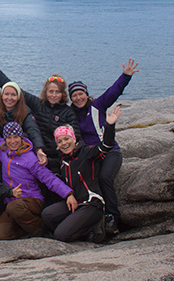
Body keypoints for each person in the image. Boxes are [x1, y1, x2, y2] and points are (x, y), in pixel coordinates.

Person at [0, 96, 77, 240]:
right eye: (9, 138)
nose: (12, 141)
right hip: (12, 201)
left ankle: (41, 229)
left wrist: (68, 194)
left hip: (32, 200)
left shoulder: (30, 158)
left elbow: (49, 178)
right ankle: (26, 227)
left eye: (16, 137)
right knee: (2, 235)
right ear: (6, 140)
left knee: (14, 209)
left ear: (21, 138)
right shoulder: (3, 151)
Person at [68, 58, 139, 234]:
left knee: (104, 178)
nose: (78, 98)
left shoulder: (97, 106)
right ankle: (91, 219)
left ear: (86, 94)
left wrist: (126, 76)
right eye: (74, 96)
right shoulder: (71, 115)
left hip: (110, 151)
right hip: (90, 155)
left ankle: (112, 217)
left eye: (80, 94)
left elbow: (113, 92)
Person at [0, 57, 80, 173]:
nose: (53, 95)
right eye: (51, 91)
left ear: (62, 93)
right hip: (37, 152)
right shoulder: (38, 104)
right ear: (45, 92)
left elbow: (76, 136)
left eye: (57, 92)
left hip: (59, 155)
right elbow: (16, 90)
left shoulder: (68, 112)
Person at [41, 105, 122, 243]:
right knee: (47, 215)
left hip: (91, 204)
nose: (64, 143)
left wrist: (109, 126)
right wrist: (42, 157)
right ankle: (79, 228)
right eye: (59, 141)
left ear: (74, 139)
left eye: (66, 139)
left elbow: (106, 146)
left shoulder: (86, 152)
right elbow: (47, 163)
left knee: (60, 235)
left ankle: (94, 229)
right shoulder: (62, 161)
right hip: (75, 203)